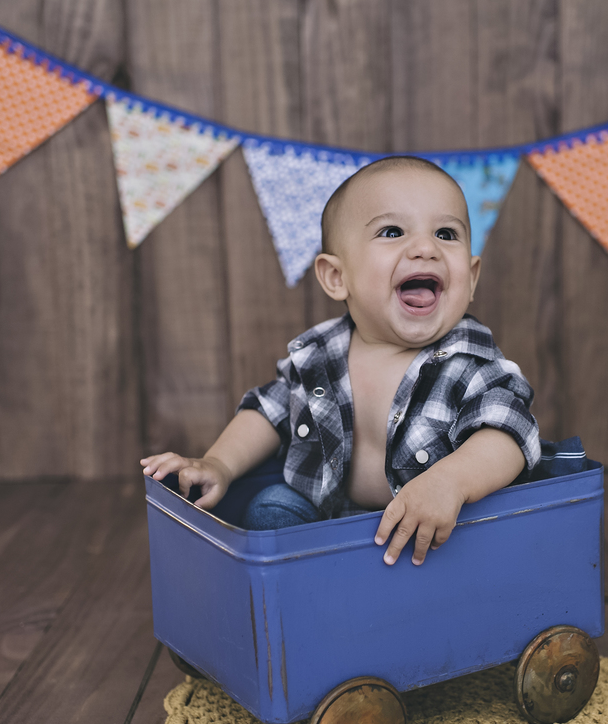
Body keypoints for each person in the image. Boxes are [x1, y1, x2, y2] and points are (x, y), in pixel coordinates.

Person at [141, 156, 540, 566]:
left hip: (430, 532)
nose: (426, 248)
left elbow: (509, 434)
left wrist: (451, 483)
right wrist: (218, 464)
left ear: (471, 278)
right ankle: (293, 592)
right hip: (326, 519)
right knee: (271, 507)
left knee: (470, 528)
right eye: (392, 231)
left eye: (446, 233)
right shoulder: (319, 354)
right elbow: (268, 411)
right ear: (336, 277)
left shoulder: (469, 361)